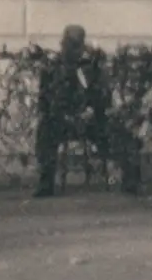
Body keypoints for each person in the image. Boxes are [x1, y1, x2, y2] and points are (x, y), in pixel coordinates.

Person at [32, 25, 142, 198]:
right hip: (62, 120)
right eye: (68, 45)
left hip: (91, 120)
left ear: (82, 45)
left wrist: (92, 110)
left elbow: (103, 95)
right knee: (46, 130)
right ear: (63, 44)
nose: (71, 50)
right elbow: (44, 99)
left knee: (118, 132)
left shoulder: (93, 66)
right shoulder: (52, 68)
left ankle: (131, 181)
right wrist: (61, 114)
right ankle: (45, 183)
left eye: (75, 45)